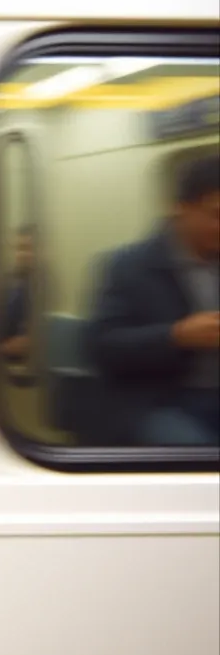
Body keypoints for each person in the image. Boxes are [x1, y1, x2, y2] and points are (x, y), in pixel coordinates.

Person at [86, 154, 220, 445]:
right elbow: (103, 347)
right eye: (216, 215)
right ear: (180, 209)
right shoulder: (127, 266)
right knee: (200, 453)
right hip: (160, 401)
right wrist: (177, 336)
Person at [0, 225, 36, 364]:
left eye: (28, 248)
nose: (23, 254)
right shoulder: (7, 285)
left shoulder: (40, 290)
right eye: (20, 248)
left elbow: (31, 342)